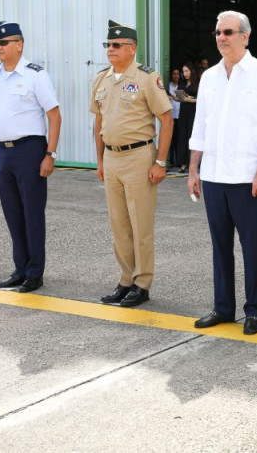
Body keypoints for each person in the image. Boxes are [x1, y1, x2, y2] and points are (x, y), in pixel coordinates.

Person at [188, 10, 257, 336]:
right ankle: (223, 307)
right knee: (220, 246)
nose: (221, 38)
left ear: (245, 36)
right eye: (218, 32)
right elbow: (200, 126)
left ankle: (255, 310)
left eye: (228, 32)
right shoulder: (210, 77)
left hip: (248, 179)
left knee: (252, 246)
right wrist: (193, 169)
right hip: (214, 176)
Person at [91, 20, 174, 308]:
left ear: (132, 48)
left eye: (116, 45)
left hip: (139, 157)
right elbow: (98, 121)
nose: (110, 50)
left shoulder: (146, 78)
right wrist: (99, 159)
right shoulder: (101, 79)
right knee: (119, 225)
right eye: (108, 45)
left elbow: (166, 119)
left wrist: (160, 161)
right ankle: (126, 279)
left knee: (141, 225)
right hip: (112, 158)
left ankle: (142, 283)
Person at [0, 21, 61, 293]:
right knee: (12, 214)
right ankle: (20, 269)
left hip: (30, 151)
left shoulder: (35, 75)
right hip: (3, 152)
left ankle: (35, 273)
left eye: (3, 43)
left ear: (19, 44)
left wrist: (50, 154)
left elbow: (54, 115)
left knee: (32, 214)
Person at [175, 63, 201, 172]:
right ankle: (183, 163)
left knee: (192, 135)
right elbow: (179, 98)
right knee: (182, 136)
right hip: (183, 112)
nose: (185, 73)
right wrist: (176, 98)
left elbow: (201, 99)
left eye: (186, 71)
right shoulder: (182, 83)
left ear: (191, 71)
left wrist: (190, 99)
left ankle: (192, 163)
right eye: (183, 71)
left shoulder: (198, 83)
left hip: (193, 112)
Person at [167, 68, 181, 168]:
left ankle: (179, 161)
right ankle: (171, 161)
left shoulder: (182, 86)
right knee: (171, 139)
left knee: (179, 139)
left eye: (177, 74)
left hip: (180, 116)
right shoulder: (168, 87)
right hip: (171, 116)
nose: (175, 75)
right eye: (174, 73)